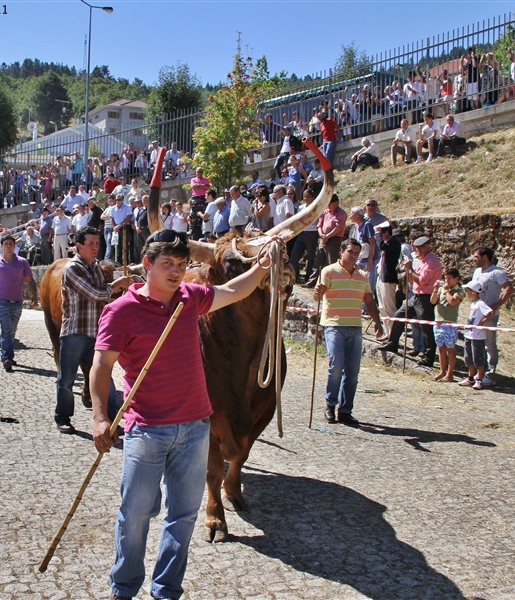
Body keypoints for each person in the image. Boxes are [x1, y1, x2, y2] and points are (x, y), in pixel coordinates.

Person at [90, 228, 277, 600]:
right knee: (136, 516)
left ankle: (166, 590)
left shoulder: (190, 298)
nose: (175, 272)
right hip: (147, 429)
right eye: (167, 265)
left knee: (183, 516)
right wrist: (99, 417)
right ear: (147, 265)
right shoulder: (121, 311)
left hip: (194, 429)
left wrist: (262, 268)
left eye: (180, 264)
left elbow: (232, 291)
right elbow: (101, 367)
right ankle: (124, 589)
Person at [54, 227, 132, 434]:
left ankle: (111, 420)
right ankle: (62, 417)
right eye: (91, 244)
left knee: (103, 375)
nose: (95, 247)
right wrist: (118, 284)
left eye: (97, 243)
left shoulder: (96, 267)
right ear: (79, 246)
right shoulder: (72, 268)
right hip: (75, 332)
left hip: (97, 332)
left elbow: (105, 298)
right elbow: (96, 294)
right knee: (67, 378)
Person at [314, 239, 383, 425]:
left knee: (352, 371)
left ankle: (345, 410)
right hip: (334, 325)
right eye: (350, 252)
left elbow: (369, 300)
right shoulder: (328, 271)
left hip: (355, 325)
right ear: (342, 252)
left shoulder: (362, 275)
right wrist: (317, 291)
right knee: (336, 366)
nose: (353, 256)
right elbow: (317, 296)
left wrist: (378, 323)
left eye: (356, 253)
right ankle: (330, 405)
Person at [377, 236, 443, 367]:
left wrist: (409, 269)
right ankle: (393, 343)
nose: (416, 250)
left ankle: (429, 357)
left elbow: (421, 280)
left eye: (418, 248)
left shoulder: (432, 262)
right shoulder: (421, 260)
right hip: (416, 295)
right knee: (399, 315)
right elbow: (413, 280)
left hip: (426, 297)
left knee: (426, 327)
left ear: (426, 247)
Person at [0, 235, 38, 372]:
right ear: (2, 246)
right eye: (6, 243)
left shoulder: (22, 262)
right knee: (6, 329)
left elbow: (30, 280)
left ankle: (9, 355)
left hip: (17, 300)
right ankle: (6, 357)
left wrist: (34, 296)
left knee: (12, 331)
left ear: (14, 246)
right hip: (1, 301)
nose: (8, 246)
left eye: (11, 244)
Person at [471, 246, 514, 384]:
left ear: (485, 257)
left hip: (489, 314)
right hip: (477, 312)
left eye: (476, 257)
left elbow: (509, 288)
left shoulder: (497, 273)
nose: (474, 260)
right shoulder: (477, 271)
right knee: (476, 342)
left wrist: (496, 306)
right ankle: (478, 371)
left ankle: (490, 373)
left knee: (489, 343)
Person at [304, 194, 347, 287]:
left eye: (330, 204)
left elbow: (339, 227)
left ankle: (333, 283)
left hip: (334, 240)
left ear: (336, 203)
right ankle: (312, 282)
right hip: (323, 239)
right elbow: (319, 225)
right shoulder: (325, 212)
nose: (328, 206)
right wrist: (322, 235)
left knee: (332, 262)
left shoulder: (341, 213)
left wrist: (328, 236)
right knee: (318, 262)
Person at [458, 280, 494, 390]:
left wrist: (481, 323)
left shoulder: (480, 303)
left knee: (478, 358)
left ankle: (479, 379)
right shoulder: (473, 304)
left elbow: (490, 313)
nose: (466, 293)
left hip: (477, 336)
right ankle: (470, 377)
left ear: (473, 292)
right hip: (469, 334)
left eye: (468, 290)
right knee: (469, 358)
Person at [430, 268, 464, 382]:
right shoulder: (441, 289)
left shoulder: (458, 291)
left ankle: (450, 374)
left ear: (456, 279)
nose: (447, 280)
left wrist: (446, 291)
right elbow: (433, 301)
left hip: (449, 323)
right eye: (445, 278)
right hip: (438, 322)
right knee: (441, 348)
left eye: (449, 278)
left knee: (451, 349)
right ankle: (442, 371)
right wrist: (435, 289)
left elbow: (453, 302)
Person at [374, 225, 401, 338]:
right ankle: (387, 332)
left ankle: (392, 335)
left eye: (382, 234)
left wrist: (377, 234)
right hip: (381, 277)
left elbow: (382, 246)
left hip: (389, 279)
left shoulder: (394, 242)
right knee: (382, 307)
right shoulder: (389, 243)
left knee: (389, 308)